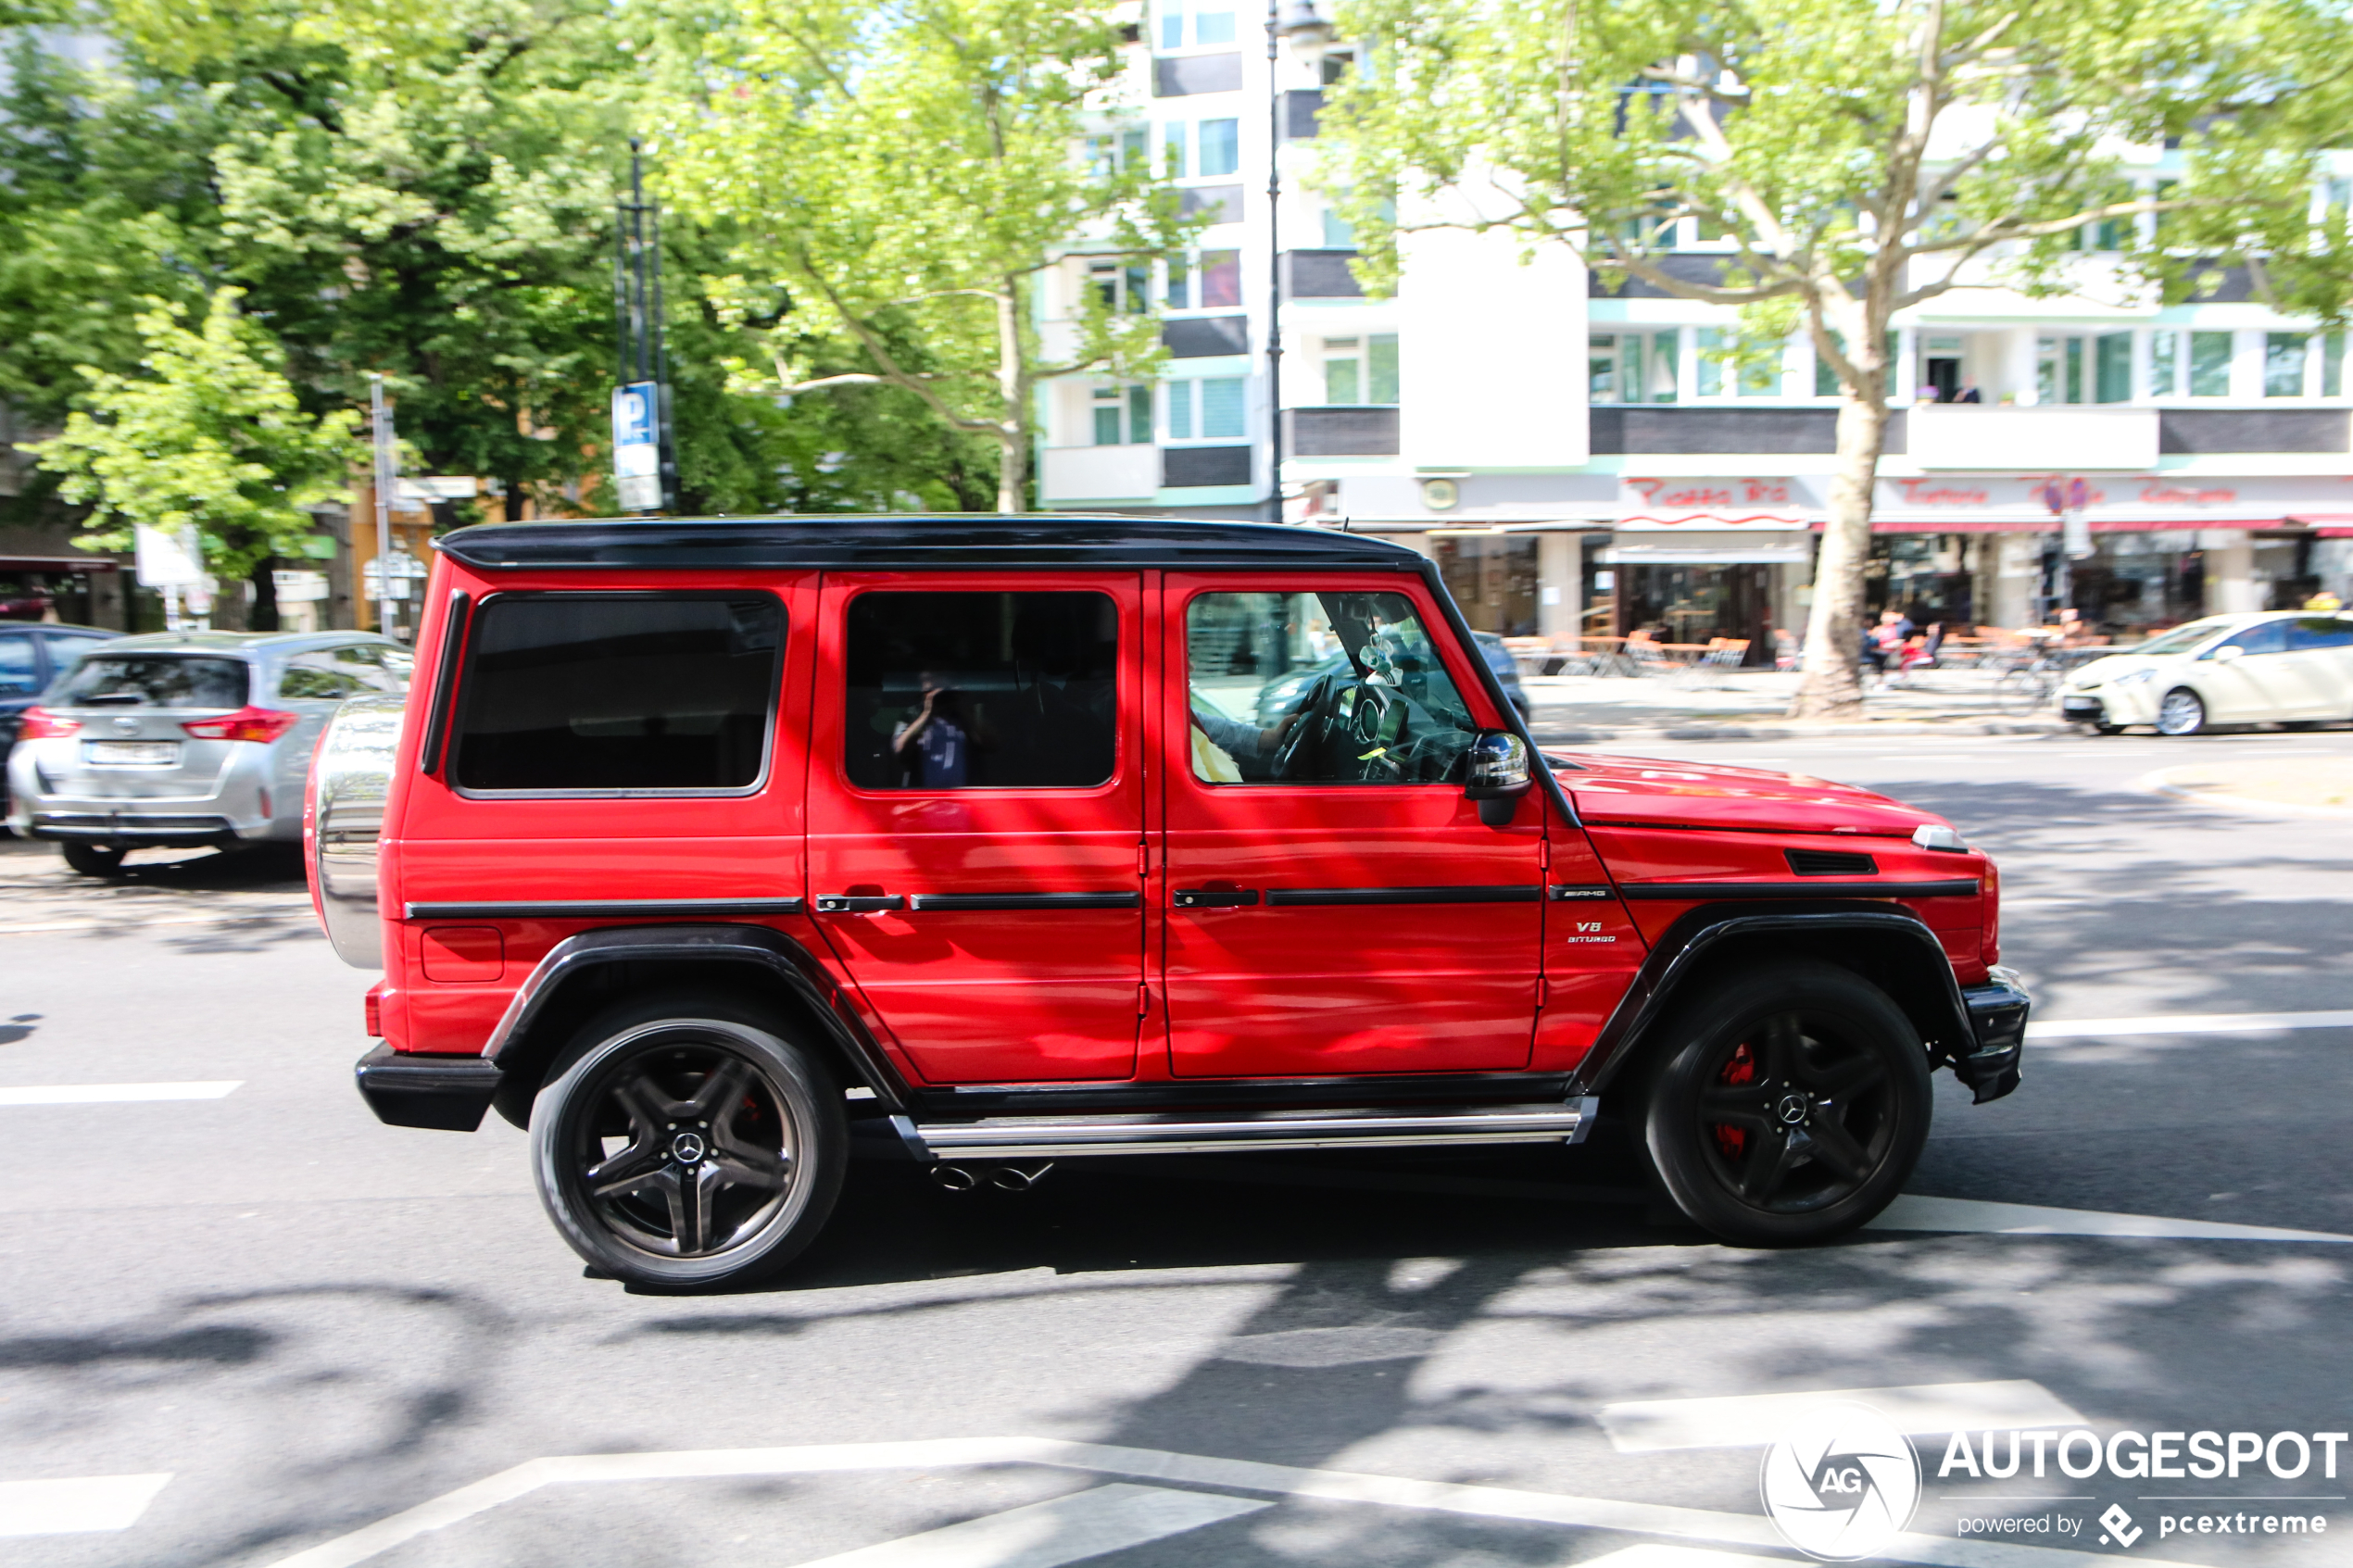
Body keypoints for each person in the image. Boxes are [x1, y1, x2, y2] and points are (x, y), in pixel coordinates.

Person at [892, 672, 988, 787]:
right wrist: (926, 714)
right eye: (927, 682)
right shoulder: (912, 714)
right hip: (922, 797)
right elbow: (899, 749)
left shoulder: (965, 715)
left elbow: (991, 744)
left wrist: (962, 709)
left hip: (964, 796)